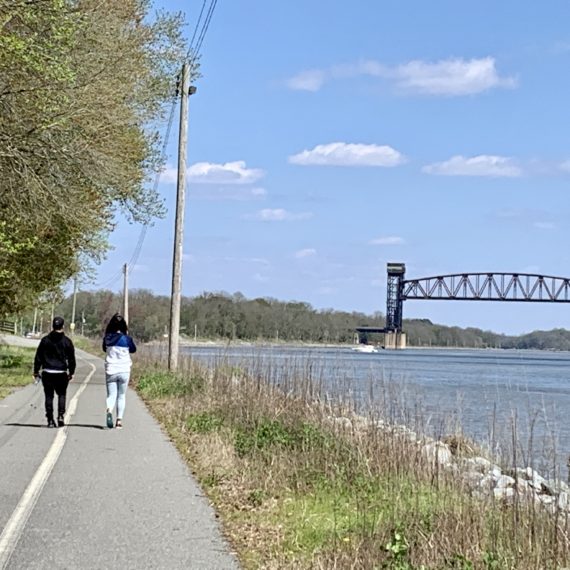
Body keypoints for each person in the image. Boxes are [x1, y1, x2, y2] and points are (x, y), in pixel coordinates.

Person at [33, 316, 76, 428]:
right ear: (63, 326)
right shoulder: (67, 342)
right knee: (62, 394)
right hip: (61, 372)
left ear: (53, 326)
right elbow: (71, 358)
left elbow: (38, 357)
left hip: (47, 371)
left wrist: (36, 370)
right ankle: (61, 416)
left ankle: (50, 419)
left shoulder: (45, 340)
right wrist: (71, 372)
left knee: (49, 396)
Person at [102, 313, 136, 429]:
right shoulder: (127, 339)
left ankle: (109, 410)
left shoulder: (107, 338)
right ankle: (119, 421)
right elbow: (133, 350)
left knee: (111, 395)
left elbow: (103, 349)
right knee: (121, 395)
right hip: (124, 370)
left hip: (111, 369)